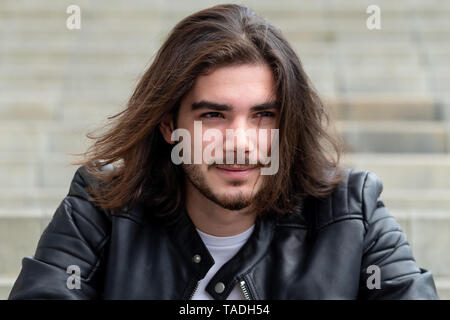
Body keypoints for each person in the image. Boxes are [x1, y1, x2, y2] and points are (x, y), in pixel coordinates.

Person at [9, 4, 438, 300]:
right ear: (168, 126)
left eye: (264, 115)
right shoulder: (100, 206)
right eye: (213, 115)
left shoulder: (349, 211)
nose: (240, 141)